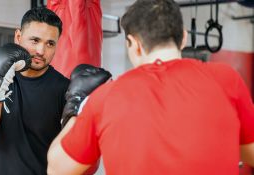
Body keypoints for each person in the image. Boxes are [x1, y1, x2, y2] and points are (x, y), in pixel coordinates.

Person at [47, 0, 254, 174]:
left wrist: (77, 106)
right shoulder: (226, 80)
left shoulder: (105, 98)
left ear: (133, 43)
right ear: (183, 37)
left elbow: (57, 168)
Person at [0, 7, 70, 175]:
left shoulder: (64, 88)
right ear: (18, 37)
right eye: (35, 40)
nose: (41, 51)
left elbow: (73, 152)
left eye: (50, 43)